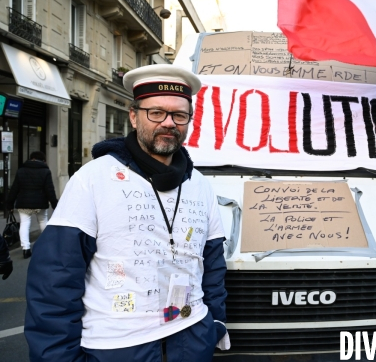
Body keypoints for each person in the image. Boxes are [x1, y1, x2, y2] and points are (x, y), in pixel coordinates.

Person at [25, 65, 229, 362]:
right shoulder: (93, 179)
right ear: (134, 116)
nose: (169, 123)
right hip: (115, 348)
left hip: (191, 340)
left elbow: (212, 265)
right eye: (156, 112)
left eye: (179, 115)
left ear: (189, 121)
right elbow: (54, 280)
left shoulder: (200, 185)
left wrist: (215, 324)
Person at [5, 151, 58, 259]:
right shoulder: (45, 171)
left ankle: (26, 249)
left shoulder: (21, 171)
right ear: (43, 160)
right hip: (40, 203)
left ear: (31, 158)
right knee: (43, 221)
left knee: (25, 224)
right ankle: (47, 245)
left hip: (23, 203)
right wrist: (54, 204)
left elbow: (14, 189)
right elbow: (50, 190)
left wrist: (9, 204)